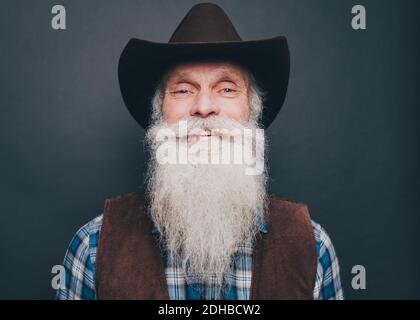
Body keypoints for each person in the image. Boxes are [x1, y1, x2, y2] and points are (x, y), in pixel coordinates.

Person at [57, 3, 343, 300]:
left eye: (227, 89)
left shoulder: (311, 245)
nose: (204, 108)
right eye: (183, 90)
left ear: (251, 112)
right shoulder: (93, 247)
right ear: (160, 115)